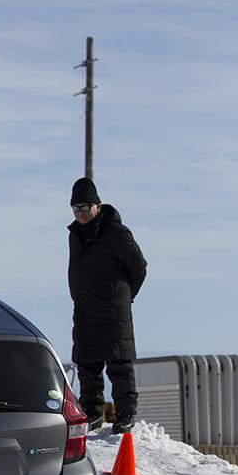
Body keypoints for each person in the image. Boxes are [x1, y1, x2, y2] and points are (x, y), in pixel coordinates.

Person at [67, 177, 147, 434]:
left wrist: (123, 297)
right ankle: (92, 413)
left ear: (97, 205)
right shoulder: (75, 235)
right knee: (87, 365)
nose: (80, 214)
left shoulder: (116, 233)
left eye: (85, 207)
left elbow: (139, 268)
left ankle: (125, 415)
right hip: (85, 309)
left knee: (119, 364)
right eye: (76, 208)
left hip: (113, 310)